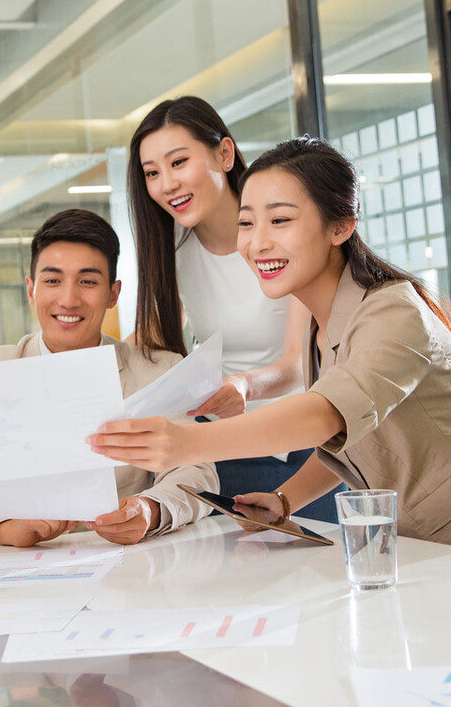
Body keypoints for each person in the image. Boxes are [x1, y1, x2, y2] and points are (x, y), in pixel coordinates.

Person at [92, 137, 451, 564]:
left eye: (280, 220)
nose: (258, 242)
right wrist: (284, 500)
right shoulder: (318, 328)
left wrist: (187, 442)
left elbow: (325, 417)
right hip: (414, 547)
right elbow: (350, 443)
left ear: (341, 226)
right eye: (247, 223)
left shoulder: (393, 311)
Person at [0, 209, 217, 548]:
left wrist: (150, 510)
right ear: (31, 289)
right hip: (16, 571)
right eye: (53, 280)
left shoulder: (158, 371)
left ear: (113, 294)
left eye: (87, 281)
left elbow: (198, 472)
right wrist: (3, 529)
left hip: (128, 567)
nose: (69, 299)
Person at [128, 95, 342, 519]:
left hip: (299, 446)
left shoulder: (284, 231)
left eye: (178, 162)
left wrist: (244, 386)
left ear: (224, 154)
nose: (166, 184)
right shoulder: (170, 245)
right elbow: (152, 341)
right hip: (217, 447)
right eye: (152, 173)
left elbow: (302, 361)